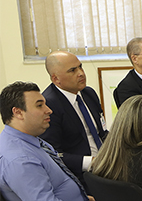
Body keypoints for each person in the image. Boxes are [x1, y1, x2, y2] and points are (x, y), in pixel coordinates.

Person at [41, 51, 108, 182]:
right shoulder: (49, 104)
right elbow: (52, 154)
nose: (81, 73)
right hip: (80, 174)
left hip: (106, 163)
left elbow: (102, 131)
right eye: (72, 70)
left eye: (80, 66)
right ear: (56, 79)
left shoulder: (88, 94)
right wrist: (92, 162)